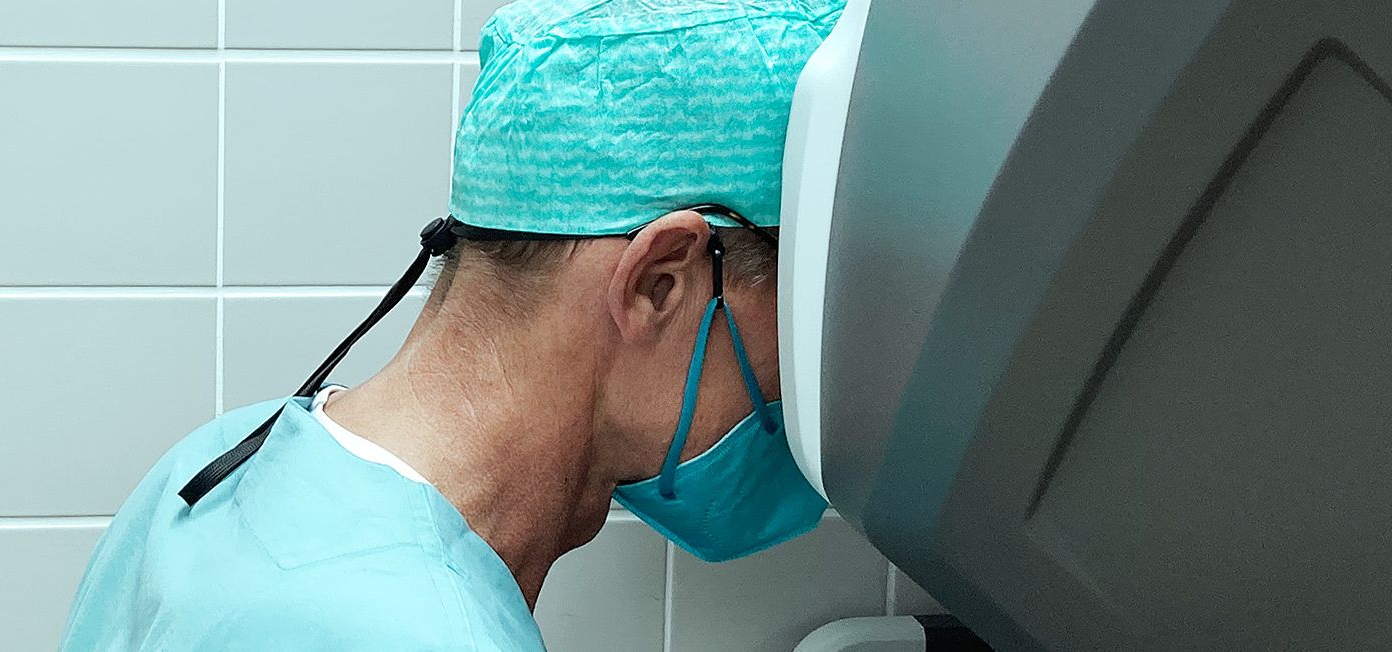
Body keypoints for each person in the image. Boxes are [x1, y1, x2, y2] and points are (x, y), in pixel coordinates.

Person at [60, 0, 844, 649]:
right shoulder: (428, 633)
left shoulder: (211, 468)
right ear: (658, 282)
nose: (806, 370)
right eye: (801, 302)